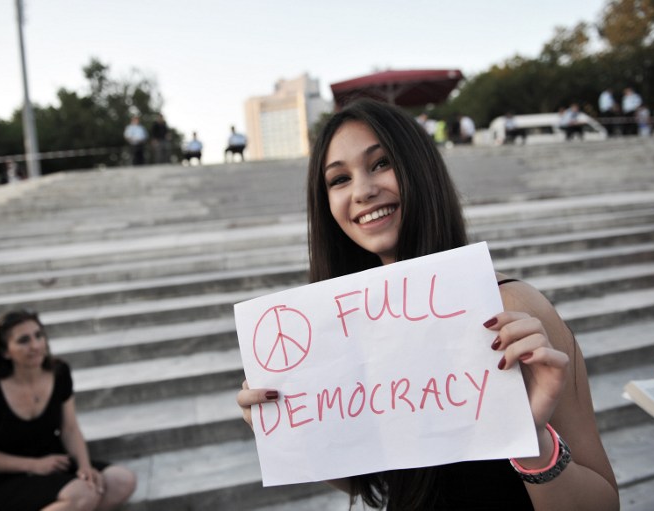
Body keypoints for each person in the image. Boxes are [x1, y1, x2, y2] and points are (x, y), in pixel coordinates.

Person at [236, 99, 619, 510]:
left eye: (381, 163)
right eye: (339, 179)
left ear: (420, 167)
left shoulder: (510, 307)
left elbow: (603, 503)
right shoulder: (344, 328)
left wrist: (534, 443)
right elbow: (375, 482)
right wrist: (287, 429)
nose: (363, 191)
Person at [0, 309, 136, 511]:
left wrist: (84, 466)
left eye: (39, 335)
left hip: (54, 462)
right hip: (7, 477)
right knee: (82, 495)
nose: (35, 345)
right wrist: (33, 465)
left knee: (122, 481)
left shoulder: (59, 372)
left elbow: (70, 428)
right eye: (23, 340)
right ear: (4, 351)